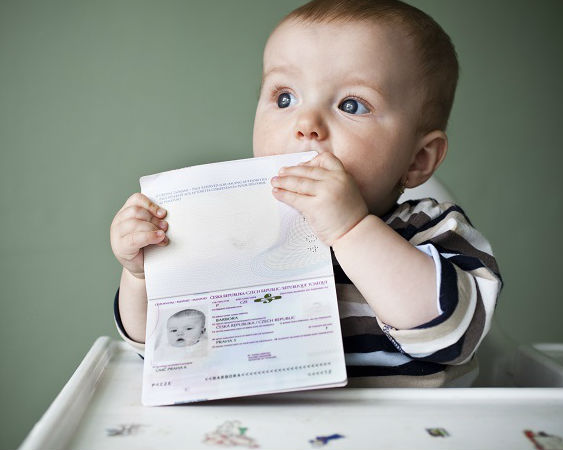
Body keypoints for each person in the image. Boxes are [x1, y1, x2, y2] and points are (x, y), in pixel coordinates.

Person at [110, 0, 502, 387]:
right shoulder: (232, 233)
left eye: (352, 104)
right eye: (285, 97)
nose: (306, 124)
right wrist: (143, 276)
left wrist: (350, 230)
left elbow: (451, 335)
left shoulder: (430, 229)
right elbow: (167, 349)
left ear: (417, 159)